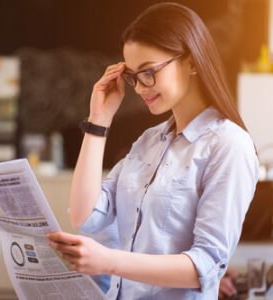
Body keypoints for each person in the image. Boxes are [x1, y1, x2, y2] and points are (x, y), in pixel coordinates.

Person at [46, 2, 259, 299]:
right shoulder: (148, 141)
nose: (139, 87)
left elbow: (206, 265)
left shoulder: (228, 144)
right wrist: (99, 120)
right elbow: (85, 215)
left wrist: (110, 261)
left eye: (149, 72)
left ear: (192, 61)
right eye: (132, 76)